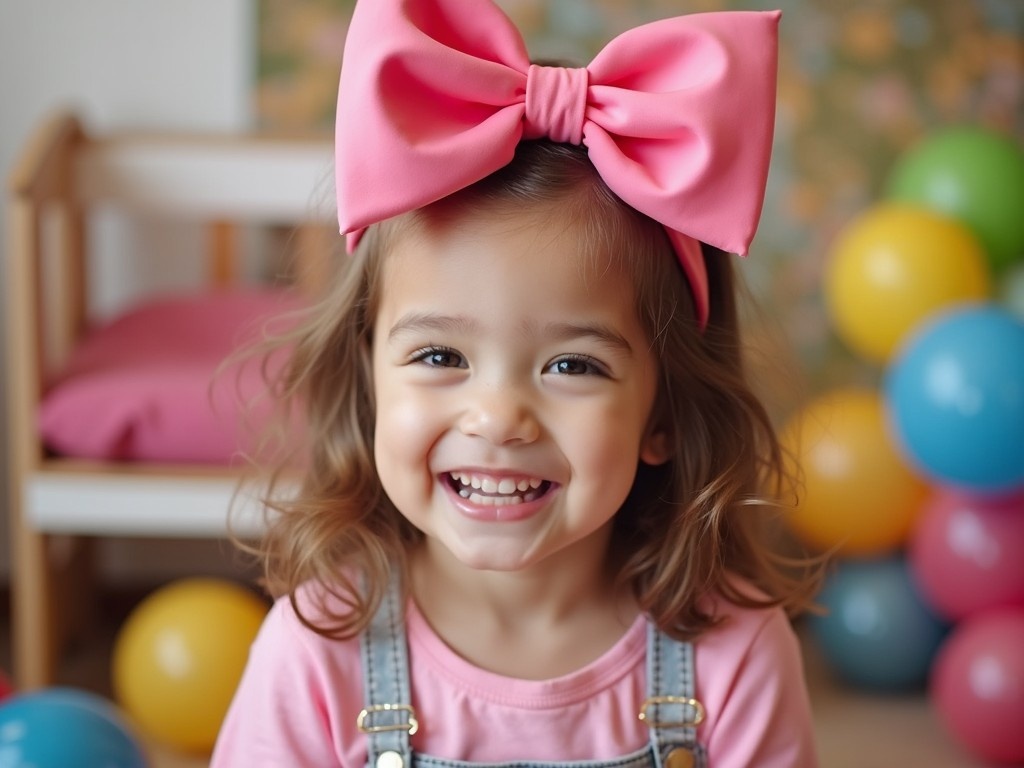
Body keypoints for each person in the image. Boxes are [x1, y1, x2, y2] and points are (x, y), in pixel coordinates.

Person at [212, 0, 821, 765]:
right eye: (439, 356)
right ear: (369, 380)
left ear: (664, 413)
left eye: (573, 365)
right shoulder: (317, 649)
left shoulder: (733, 655)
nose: (498, 418)